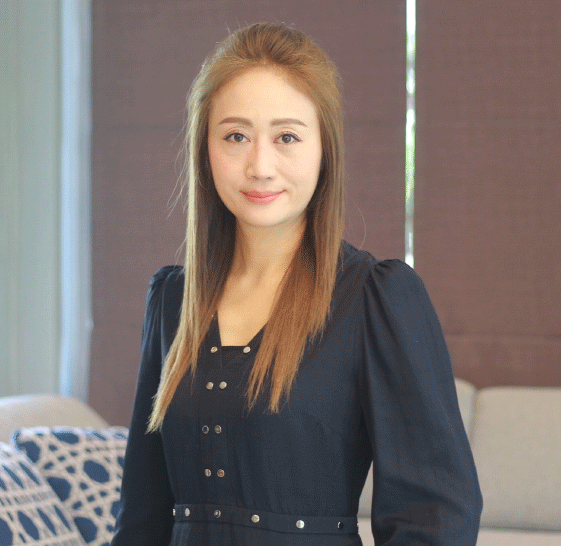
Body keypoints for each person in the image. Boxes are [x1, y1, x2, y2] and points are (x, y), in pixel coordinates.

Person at [112, 22, 482, 546]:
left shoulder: (375, 300)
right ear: (204, 148)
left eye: (286, 137)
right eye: (236, 136)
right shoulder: (173, 301)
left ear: (325, 148)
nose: (260, 166)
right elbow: (142, 515)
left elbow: (437, 517)